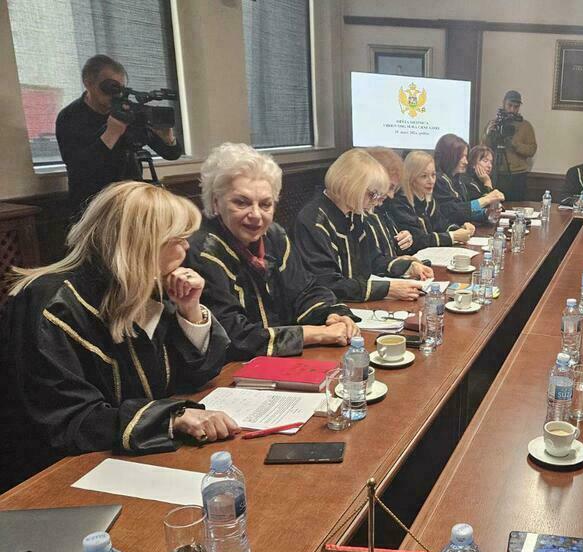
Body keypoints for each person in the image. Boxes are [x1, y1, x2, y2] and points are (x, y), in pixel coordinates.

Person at [0, 182, 238, 491]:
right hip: (51, 479)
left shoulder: (144, 289)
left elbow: (191, 377)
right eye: (177, 239)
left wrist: (189, 310)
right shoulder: (53, 305)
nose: (187, 249)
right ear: (142, 244)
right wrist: (172, 418)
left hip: (131, 463)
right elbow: (68, 420)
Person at [185, 143, 358, 361]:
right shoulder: (202, 251)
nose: (256, 215)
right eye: (241, 203)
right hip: (234, 370)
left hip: (284, 362)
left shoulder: (274, 236)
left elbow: (305, 290)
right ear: (216, 202)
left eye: (265, 204)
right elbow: (232, 336)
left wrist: (333, 315)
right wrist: (316, 334)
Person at [290, 150, 433, 304]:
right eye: (372, 194)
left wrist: (408, 267)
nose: (376, 202)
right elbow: (327, 283)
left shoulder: (353, 213)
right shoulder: (313, 221)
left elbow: (373, 260)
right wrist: (387, 289)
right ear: (347, 184)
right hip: (333, 308)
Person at [56, 54, 182, 216]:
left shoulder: (127, 110)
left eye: (121, 88)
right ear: (88, 83)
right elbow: (79, 167)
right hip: (93, 207)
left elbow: (171, 154)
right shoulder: (70, 117)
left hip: (131, 202)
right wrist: (111, 133)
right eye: (110, 87)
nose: (116, 95)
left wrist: (167, 138)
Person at [385, 151, 474, 251]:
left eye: (433, 175)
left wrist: (460, 230)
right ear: (411, 178)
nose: (431, 181)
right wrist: (452, 236)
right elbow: (417, 239)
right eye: (424, 176)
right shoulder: (400, 202)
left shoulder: (428, 199)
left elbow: (441, 224)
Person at [433, 134, 505, 224]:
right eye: (461, 156)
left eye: (466, 157)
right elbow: (451, 213)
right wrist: (487, 199)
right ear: (449, 156)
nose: (466, 162)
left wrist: (486, 213)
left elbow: (464, 212)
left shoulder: (457, 180)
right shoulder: (438, 180)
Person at [483, 90, 536, 201]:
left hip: (517, 176)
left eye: (516, 107)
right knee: (495, 204)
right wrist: (488, 134)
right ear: (504, 103)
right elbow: (483, 149)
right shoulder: (494, 124)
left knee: (517, 206)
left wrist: (514, 144)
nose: (512, 110)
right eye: (509, 105)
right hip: (496, 174)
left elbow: (532, 150)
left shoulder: (525, 126)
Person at [364, 147, 416, 258]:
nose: (391, 195)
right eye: (390, 187)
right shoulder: (357, 214)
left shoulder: (382, 209)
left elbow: (391, 252)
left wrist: (405, 239)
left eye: (394, 189)